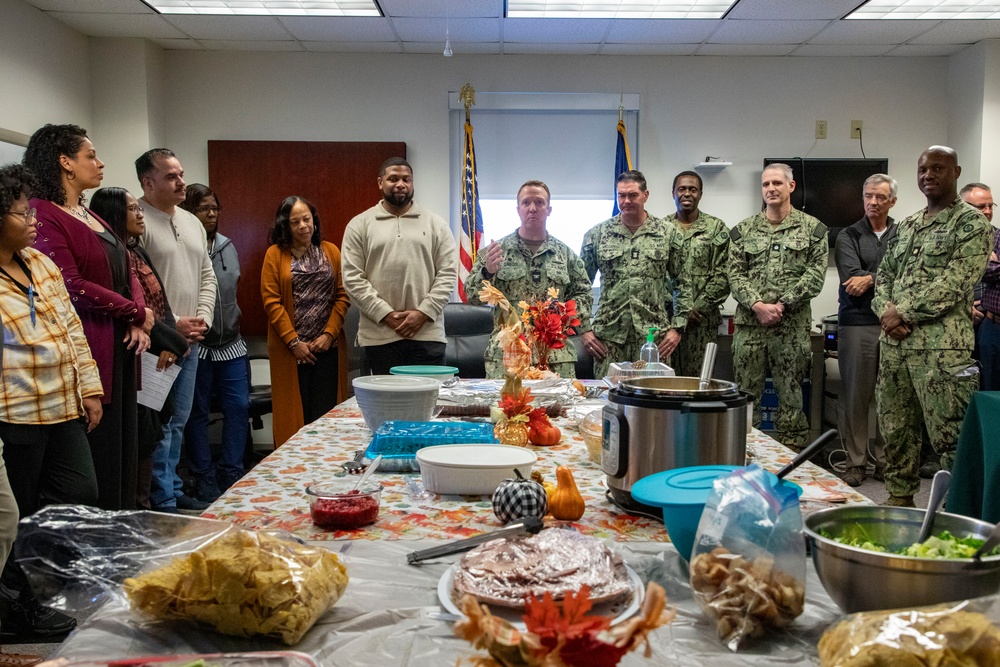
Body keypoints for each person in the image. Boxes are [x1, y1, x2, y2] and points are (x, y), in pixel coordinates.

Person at [23, 124, 151, 511]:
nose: (100, 163)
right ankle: (102, 542)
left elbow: (127, 265)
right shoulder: (44, 215)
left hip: (122, 341)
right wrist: (134, 311)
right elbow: (71, 284)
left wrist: (137, 317)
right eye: (90, 156)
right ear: (65, 163)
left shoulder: (87, 211)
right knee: (104, 455)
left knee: (128, 446)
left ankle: (124, 529)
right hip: (93, 344)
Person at [0, 163, 102, 639]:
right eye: (22, 213)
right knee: (13, 514)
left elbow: (72, 329)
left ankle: (29, 587)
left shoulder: (40, 263)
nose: (33, 219)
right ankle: (18, 608)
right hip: (13, 415)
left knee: (78, 494)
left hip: (63, 406)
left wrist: (90, 386)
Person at [874, 146, 993, 507]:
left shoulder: (971, 224)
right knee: (895, 431)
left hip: (941, 353)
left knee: (950, 436)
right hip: (895, 348)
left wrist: (902, 313)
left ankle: (960, 509)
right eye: (923, 169)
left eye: (938, 168)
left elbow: (956, 281)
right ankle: (899, 498)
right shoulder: (908, 225)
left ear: (955, 172)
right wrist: (885, 312)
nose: (929, 175)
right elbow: (884, 276)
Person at [89, 187, 189, 511]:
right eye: (132, 209)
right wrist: (171, 341)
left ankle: (148, 507)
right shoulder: (111, 257)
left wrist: (170, 340)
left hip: (159, 347)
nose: (140, 214)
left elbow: (157, 305)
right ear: (115, 214)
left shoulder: (136, 251)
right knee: (141, 438)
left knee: (153, 434)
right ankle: (148, 509)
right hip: (138, 356)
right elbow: (134, 312)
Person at [135, 148, 217, 514]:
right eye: (171, 177)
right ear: (147, 182)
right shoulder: (136, 221)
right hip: (158, 344)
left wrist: (202, 320)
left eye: (181, 174)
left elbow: (206, 276)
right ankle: (161, 498)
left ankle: (172, 487)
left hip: (191, 340)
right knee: (161, 423)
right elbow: (135, 286)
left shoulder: (191, 221)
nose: (181, 182)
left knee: (179, 421)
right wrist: (173, 326)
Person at [728, 163, 827, 450]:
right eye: (766, 184)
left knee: (792, 396)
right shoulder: (743, 230)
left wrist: (782, 305)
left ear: (791, 187)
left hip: (791, 327)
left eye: (777, 184)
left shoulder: (813, 230)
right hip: (750, 327)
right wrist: (757, 305)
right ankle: (747, 456)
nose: (771, 189)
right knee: (746, 397)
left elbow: (815, 275)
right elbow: (735, 275)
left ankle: (792, 462)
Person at [465, 180, 593, 378]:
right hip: (509, 354)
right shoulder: (497, 251)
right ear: (518, 209)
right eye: (526, 203)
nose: (532, 208)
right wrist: (488, 272)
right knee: (508, 408)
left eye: (539, 203)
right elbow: (472, 296)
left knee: (559, 408)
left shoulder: (565, 254)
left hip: (555, 355)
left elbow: (584, 294)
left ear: (549, 209)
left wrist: (562, 317)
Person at [341, 158, 457, 375]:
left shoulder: (436, 224)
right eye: (393, 179)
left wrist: (423, 313)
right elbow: (352, 279)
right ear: (380, 182)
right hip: (379, 337)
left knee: (430, 405)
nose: (400, 184)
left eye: (406, 179)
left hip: (427, 335)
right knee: (385, 407)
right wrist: (385, 314)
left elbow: (448, 274)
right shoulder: (359, 225)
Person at [579, 170, 688, 379]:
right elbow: (580, 286)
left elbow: (683, 283)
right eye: (621, 195)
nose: (626, 201)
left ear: (645, 195)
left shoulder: (667, 233)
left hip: (653, 338)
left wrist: (677, 329)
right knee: (608, 399)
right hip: (608, 338)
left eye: (633, 195)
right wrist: (585, 331)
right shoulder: (597, 235)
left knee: (653, 401)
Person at [262, 196, 350, 447]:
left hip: (328, 348)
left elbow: (342, 296)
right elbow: (272, 302)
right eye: (295, 222)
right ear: (285, 226)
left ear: (314, 221)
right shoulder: (274, 255)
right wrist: (294, 342)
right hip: (291, 351)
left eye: (307, 219)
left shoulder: (331, 251)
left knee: (326, 415)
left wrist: (329, 334)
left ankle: (327, 464)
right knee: (293, 417)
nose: (303, 226)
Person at [180, 184, 248, 500]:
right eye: (203, 208)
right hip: (199, 346)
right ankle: (203, 474)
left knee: (238, 407)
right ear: (188, 213)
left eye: (214, 208)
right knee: (197, 411)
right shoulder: (183, 247)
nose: (211, 214)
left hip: (231, 344)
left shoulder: (227, 245)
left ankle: (232, 471)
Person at [834, 174, 898, 487]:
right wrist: (882, 278)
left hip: (897, 327)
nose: (873, 202)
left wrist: (871, 278)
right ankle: (855, 463)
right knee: (856, 397)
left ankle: (886, 462)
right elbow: (851, 280)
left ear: (892, 201)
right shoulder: (848, 235)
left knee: (891, 398)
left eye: (880, 197)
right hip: (858, 324)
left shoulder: (904, 234)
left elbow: (909, 276)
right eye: (868, 196)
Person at [664, 170, 730, 377]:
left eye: (693, 189)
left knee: (698, 384)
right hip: (667, 321)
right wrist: (679, 309)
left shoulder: (716, 228)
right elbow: (654, 276)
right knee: (664, 382)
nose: (687, 194)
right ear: (673, 193)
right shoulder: (660, 229)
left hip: (701, 323)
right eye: (681, 189)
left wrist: (696, 308)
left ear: (700, 194)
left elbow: (724, 274)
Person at [962, 183, 999, 392]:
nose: (987, 211)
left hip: (990, 324)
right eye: (980, 207)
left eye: (990, 206)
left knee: (989, 389)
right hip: (955, 326)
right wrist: (963, 307)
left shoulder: (998, 237)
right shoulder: (952, 240)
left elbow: (992, 272)